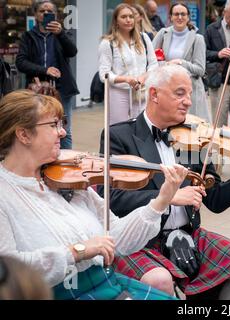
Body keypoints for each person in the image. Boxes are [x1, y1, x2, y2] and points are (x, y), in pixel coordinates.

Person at [100, 64, 230, 300]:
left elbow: (216, 199)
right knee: (159, 281)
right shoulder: (119, 136)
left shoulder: (194, 138)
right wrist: (169, 197)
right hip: (140, 240)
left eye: (189, 94)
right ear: (154, 94)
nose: (187, 101)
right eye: (179, 93)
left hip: (188, 235)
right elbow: (112, 200)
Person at [0, 90, 188, 300]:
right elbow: (8, 271)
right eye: (53, 125)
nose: (63, 133)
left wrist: (161, 201)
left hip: (105, 283)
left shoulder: (68, 178)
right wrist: (76, 251)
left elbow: (119, 238)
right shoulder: (4, 193)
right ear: (23, 134)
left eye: (61, 124)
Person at [16, 0, 79, 150]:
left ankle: (65, 165)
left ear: (55, 15)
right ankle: (41, 159)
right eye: (42, 11)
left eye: (49, 11)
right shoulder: (28, 36)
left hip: (61, 89)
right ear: (36, 15)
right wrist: (45, 70)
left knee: (64, 130)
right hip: (36, 89)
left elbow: (72, 52)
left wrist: (61, 34)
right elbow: (21, 62)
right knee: (36, 127)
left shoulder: (62, 34)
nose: (45, 14)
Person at [98, 3, 158, 125]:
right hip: (118, 93)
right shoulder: (108, 43)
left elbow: (153, 64)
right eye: (124, 17)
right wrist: (125, 79)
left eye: (131, 16)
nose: (128, 20)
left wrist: (142, 78)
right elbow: (104, 74)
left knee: (143, 128)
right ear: (116, 21)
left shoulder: (144, 38)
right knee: (119, 129)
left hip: (141, 91)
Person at [152, 2, 211, 122]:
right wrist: (166, 65)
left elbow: (200, 70)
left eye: (183, 14)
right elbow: (151, 61)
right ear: (171, 17)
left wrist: (181, 63)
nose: (179, 17)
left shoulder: (197, 39)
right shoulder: (163, 34)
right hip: (168, 90)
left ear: (188, 17)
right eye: (176, 14)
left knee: (191, 129)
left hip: (191, 93)